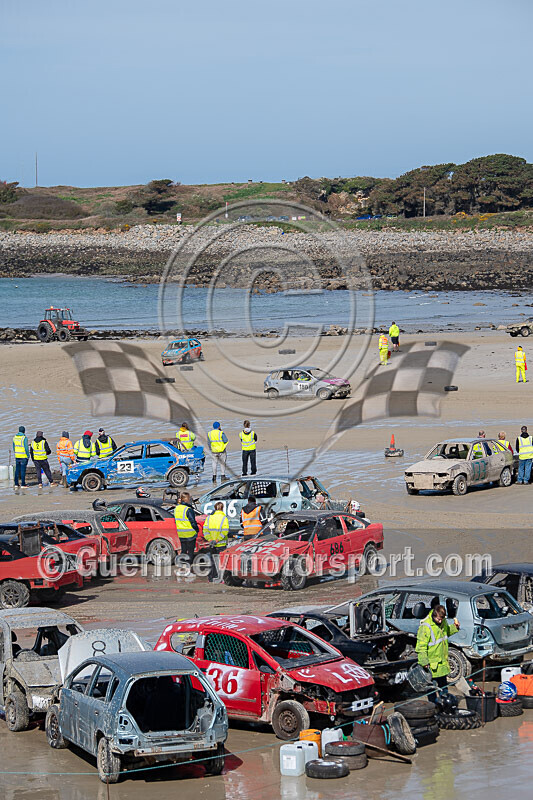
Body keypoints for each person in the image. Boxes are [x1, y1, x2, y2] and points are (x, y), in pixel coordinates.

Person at [415, 603, 460, 702]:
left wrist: (455, 627)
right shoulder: (425, 627)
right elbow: (421, 647)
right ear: (434, 615)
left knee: (443, 688)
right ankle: (434, 706)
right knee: (432, 689)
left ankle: (444, 705)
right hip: (431, 665)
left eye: (442, 619)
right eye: (438, 619)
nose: (440, 621)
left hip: (442, 664)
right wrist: (424, 662)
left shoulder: (443, 622)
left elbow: (446, 632)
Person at [203, 501, 229, 581]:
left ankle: (211, 577)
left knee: (212, 561)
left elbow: (205, 530)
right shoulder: (224, 518)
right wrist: (217, 540)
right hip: (221, 544)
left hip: (212, 544)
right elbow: (225, 531)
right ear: (222, 509)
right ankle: (220, 578)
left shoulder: (209, 518)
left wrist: (210, 539)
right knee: (221, 562)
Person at [174, 491, 199, 565]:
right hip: (190, 534)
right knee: (190, 551)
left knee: (183, 550)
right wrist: (196, 529)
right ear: (187, 499)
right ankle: (189, 564)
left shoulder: (177, 508)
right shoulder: (188, 509)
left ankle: (182, 563)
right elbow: (193, 522)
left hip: (181, 533)